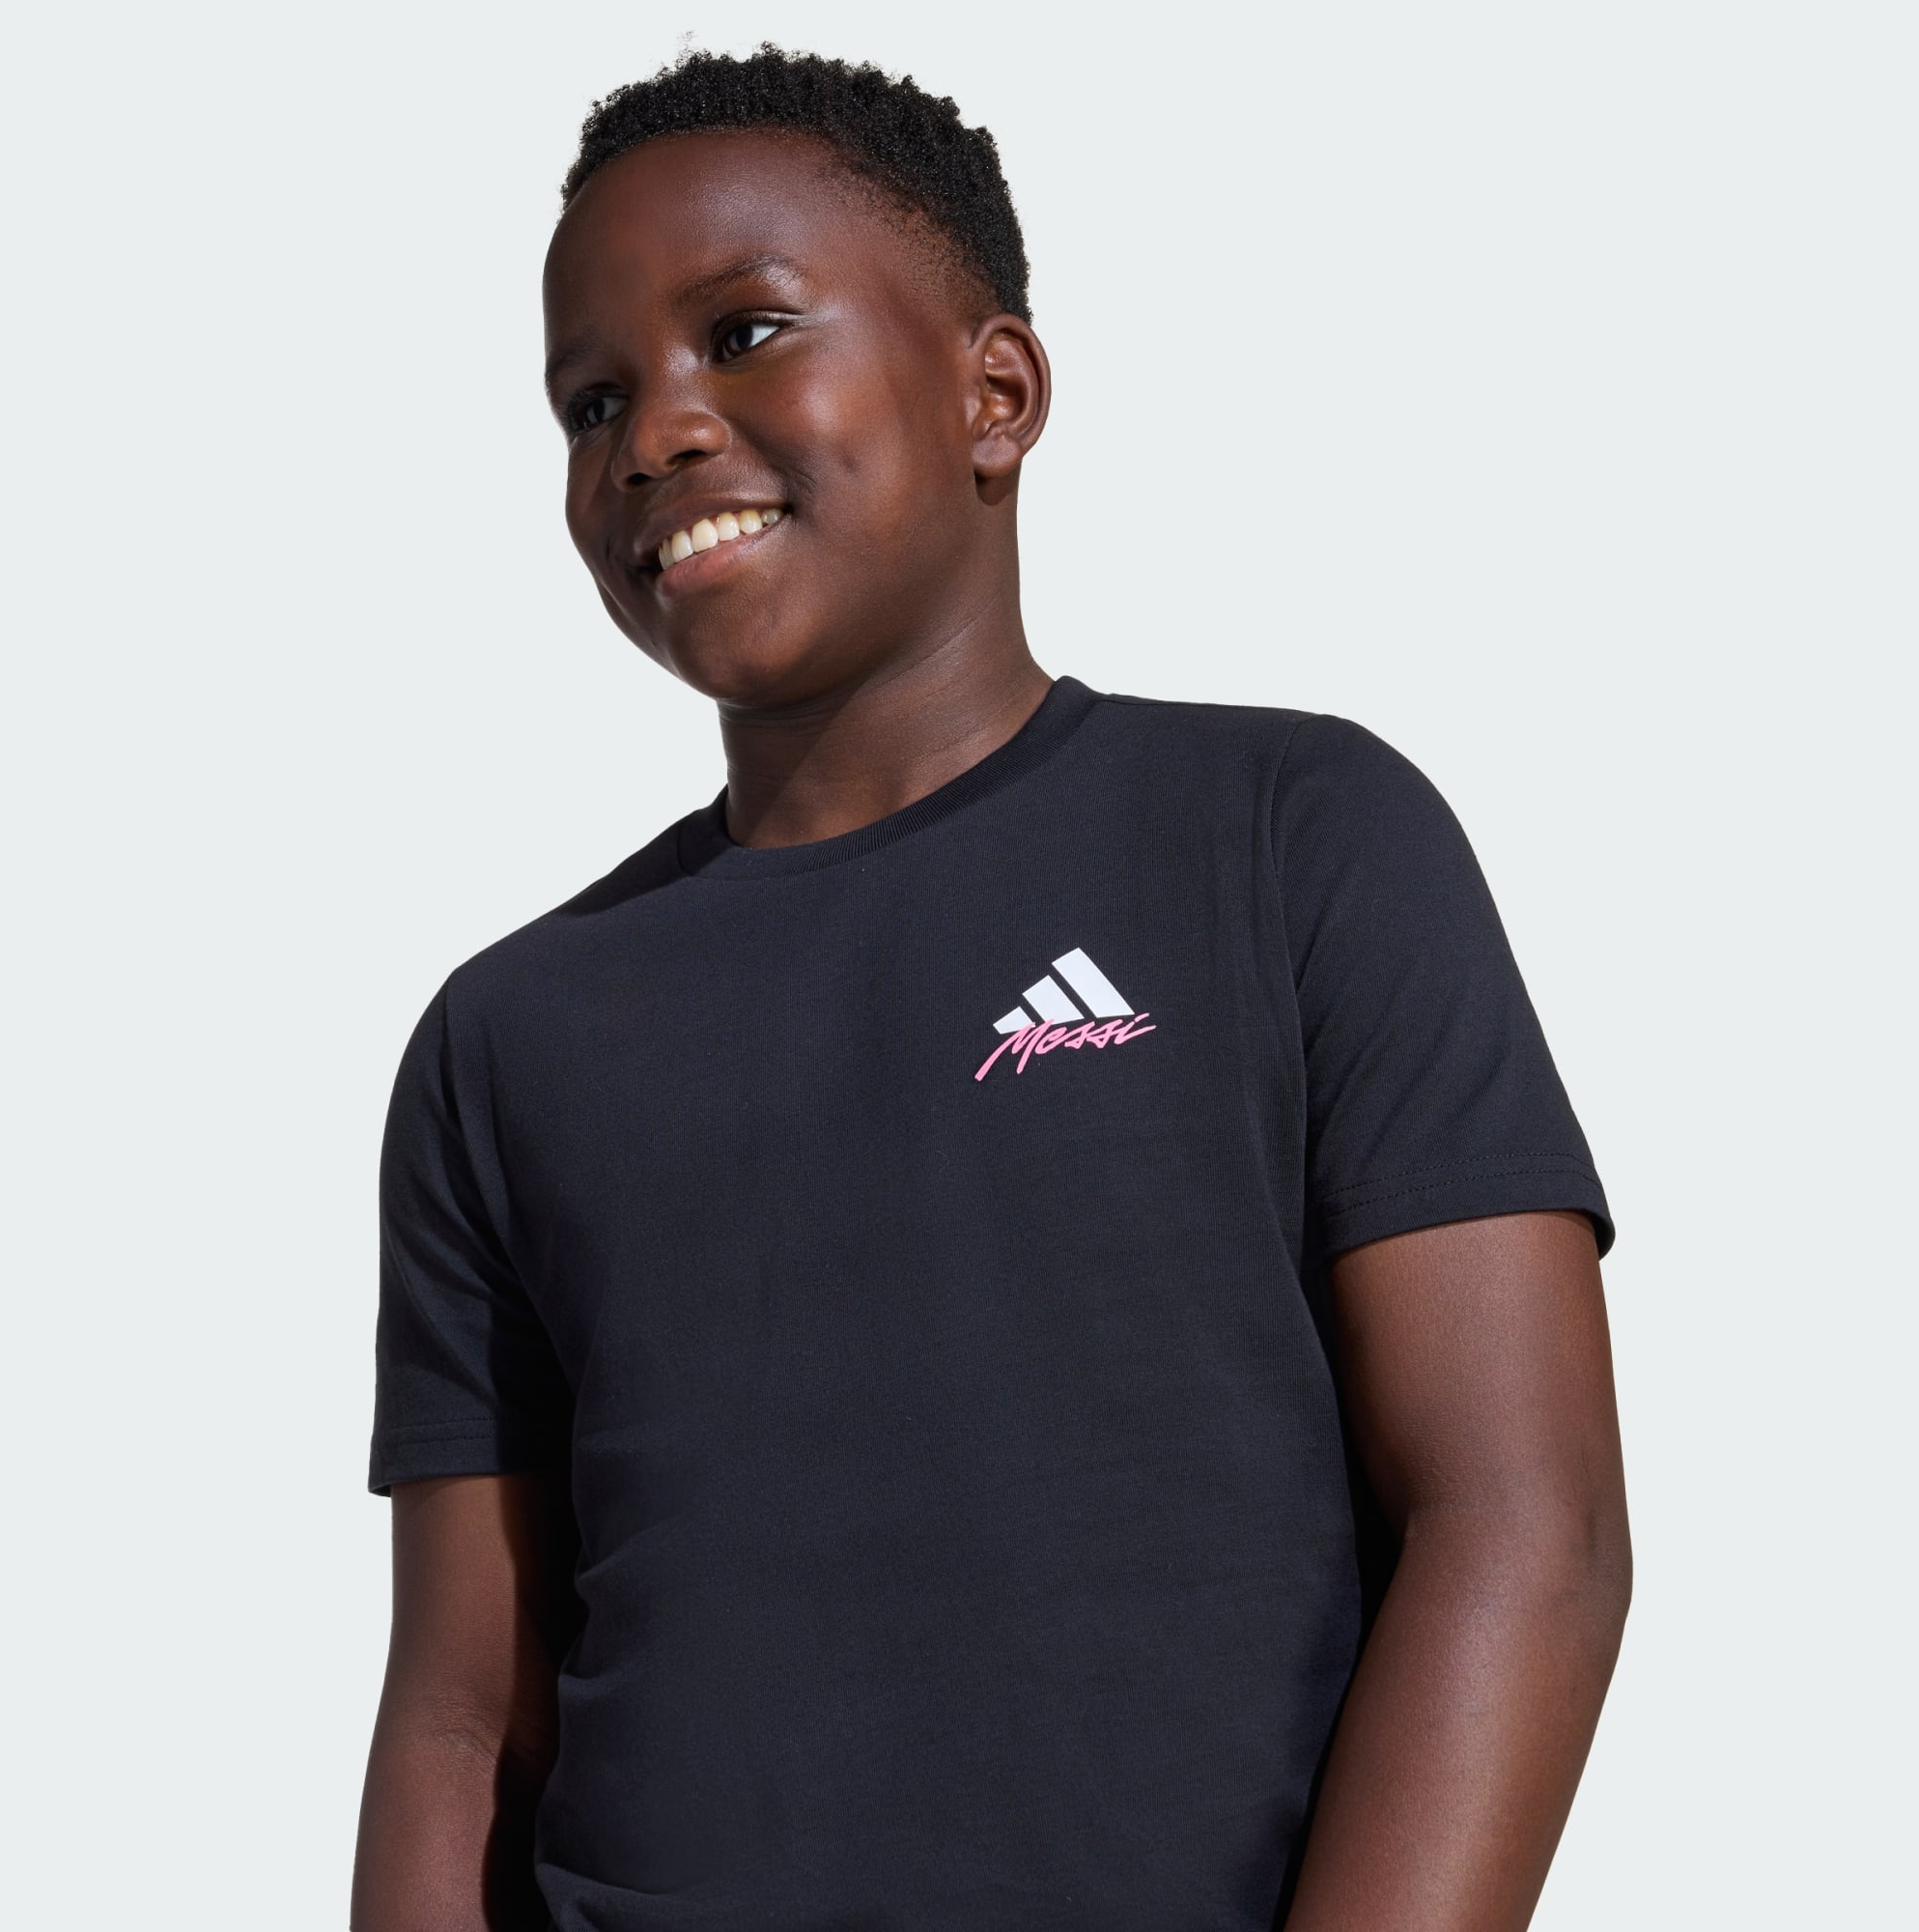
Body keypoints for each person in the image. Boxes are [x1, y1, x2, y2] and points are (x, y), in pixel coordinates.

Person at [353, 46, 1630, 1932]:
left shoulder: (1289, 838)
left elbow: (1525, 1528)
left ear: (997, 393)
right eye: (591, 398)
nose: (656, 432)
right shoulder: (506, 1036)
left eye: (744, 333)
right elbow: (463, 1715)